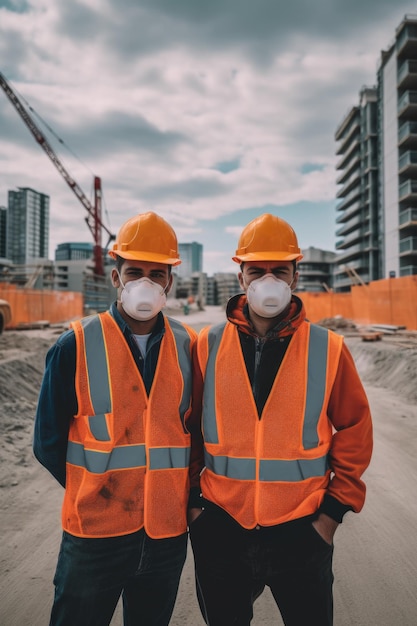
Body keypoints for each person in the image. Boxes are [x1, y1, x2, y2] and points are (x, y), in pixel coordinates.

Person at [189, 213, 373, 626]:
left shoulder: (329, 347)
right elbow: (188, 428)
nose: (267, 280)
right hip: (222, 528)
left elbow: (356, 427)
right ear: (241, 277)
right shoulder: (207, 344)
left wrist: (330, 516)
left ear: (294, 275)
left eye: (279, 270)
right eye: (257, 270)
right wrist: (194, 509)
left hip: (302, 531)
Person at [33, 211, 202, 626]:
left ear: (170, 281)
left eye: (156, 273)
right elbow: (48, 442)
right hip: (94, 536)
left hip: (164, 535)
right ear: (116, 277)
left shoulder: (189, 345)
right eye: (134, 272)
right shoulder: (75, 343)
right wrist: (95, 491)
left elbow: (197, 433)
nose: (145, 283)